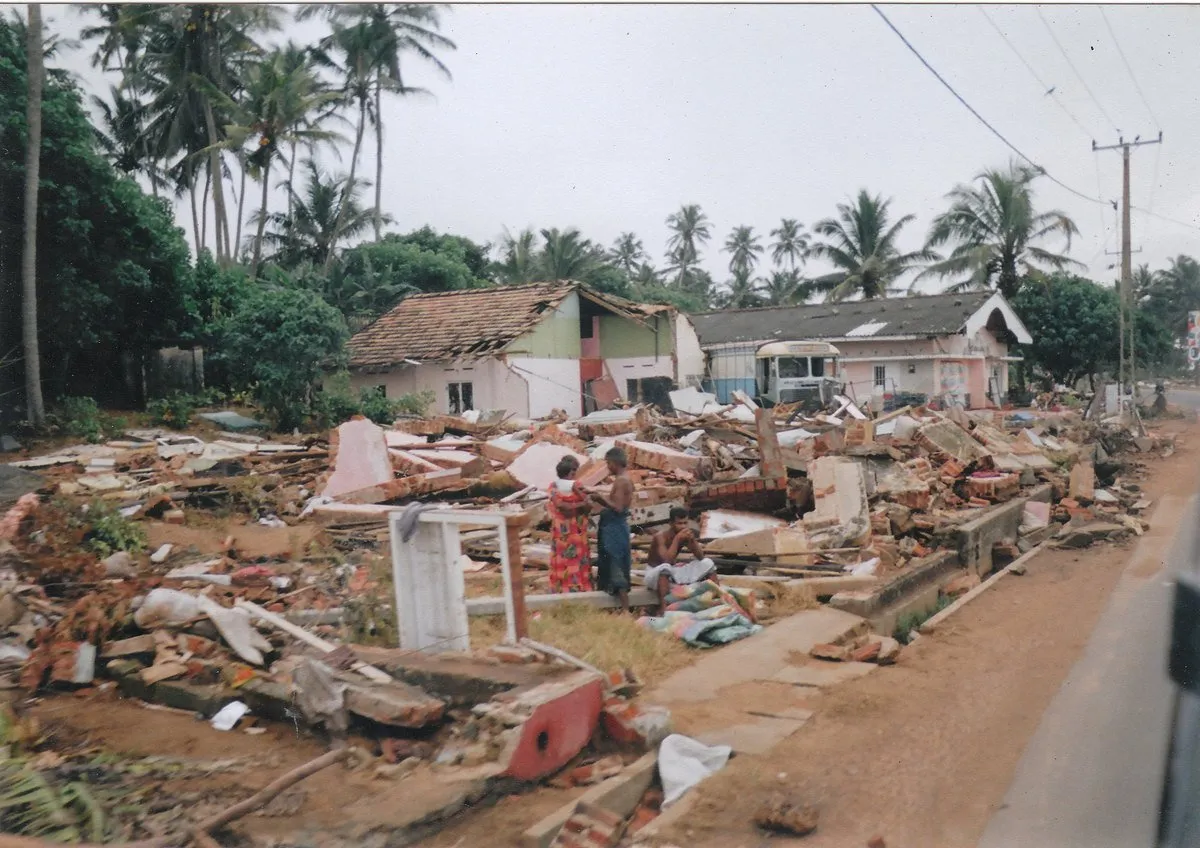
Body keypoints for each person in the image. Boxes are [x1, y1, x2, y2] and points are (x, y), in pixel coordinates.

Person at [645, 507, 720, 616]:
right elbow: (667, 560)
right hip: (654, 574)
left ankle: (717, 597)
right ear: (671, 524)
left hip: (671, 572)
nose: (683, 526)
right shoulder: (659, 537)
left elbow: (700, 556)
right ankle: (664, 608)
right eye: (679, 523)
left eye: (685, 523)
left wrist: (692, 541)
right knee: (665, 567)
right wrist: (677, 539)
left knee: (707, 563)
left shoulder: (684, 534)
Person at [589, 446, 634, 612]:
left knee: (616, 564)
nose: (607, 466)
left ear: (615, 462)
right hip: (613, 528)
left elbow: (618, 507)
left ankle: (625, 609)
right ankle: (612, 607)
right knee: (610, 563)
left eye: (608, 463)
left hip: (615, 529)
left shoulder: (622, 481)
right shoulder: (622, 479)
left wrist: (599, 499)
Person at [546, 455, 593, 593]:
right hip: (573, 529)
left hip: (565, 530)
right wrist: (580, 504)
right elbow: (563, 505)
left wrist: (576, 503)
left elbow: (562, 505)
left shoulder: (556, 486)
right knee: (576, 560)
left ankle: (564, 589)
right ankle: (578, 589)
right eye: (574, 470)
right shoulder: (572, 486)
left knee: (566, 560)